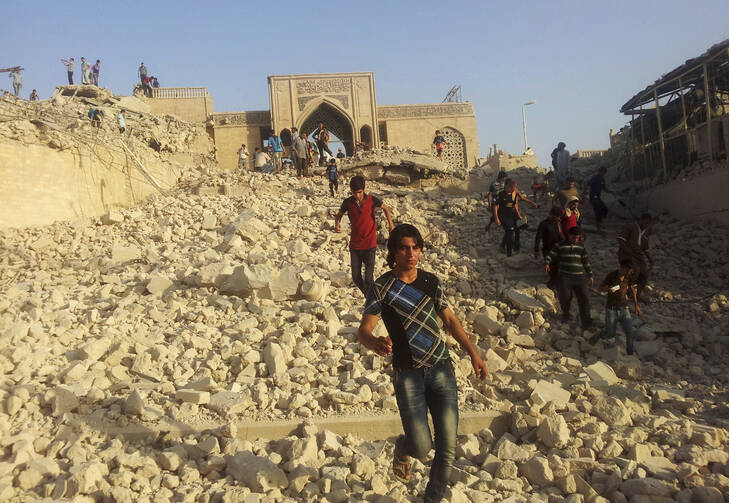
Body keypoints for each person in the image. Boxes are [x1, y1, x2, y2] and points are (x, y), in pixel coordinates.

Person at [357, 223, 488, 503]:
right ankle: (403, 446)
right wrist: (374, 341)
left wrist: (473, 354)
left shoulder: (430, 282)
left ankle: (432, 499)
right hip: (408, 376)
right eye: (404, 248)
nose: (411, 253)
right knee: (421, 445)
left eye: (416, 247)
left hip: (442, 369)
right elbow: (364, 330)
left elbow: (450, 321)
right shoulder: (382, 287)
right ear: (393, 251)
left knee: (447, 446)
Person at [334, 175, 395, 295]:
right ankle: (370, 297)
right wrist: (337, 224)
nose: (357, 195)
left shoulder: (372, 200)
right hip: (355, 246)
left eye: (359, 192)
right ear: (351, 191)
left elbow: (386, 208)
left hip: (370, 245)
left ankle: (372, 299)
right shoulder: (348, 202)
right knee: (356, 278)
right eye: (354, 192)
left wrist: (391, 224)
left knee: (368, 278)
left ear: (364, 189)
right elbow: (339, 214)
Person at [545, 226, 594, 329]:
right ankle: (566, 314)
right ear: (569, 235)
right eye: (573, 237)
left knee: (584, 298)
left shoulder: (581, 247)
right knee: (565, 297)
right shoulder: (560, 245)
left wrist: (590, 275)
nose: (575, 240)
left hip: (580, 277)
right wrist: (547, 263)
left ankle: (586, 322)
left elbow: (586, 261)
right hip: (565, 277)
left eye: (577, 238)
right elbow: (550, 255)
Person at [599, 261, 641, 355]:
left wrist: (636, 306)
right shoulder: (611, 276)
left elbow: (632, 290)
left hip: (624, 309)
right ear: (623, 268)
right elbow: (600, 288)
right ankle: (609, 356)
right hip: (611, 309)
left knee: (630, 332)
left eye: (630, 272)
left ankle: (630, 354)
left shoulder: (628, 278)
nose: (630, 273)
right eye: (629, 271)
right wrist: (608, 289)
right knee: (610, 335)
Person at [617, 214, 653, 300]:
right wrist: (628, 251)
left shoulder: (646, 231)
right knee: (635, 270)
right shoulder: (630, 227)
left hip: (638, 256)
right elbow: (620, 239)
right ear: (640, 220)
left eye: (648, 223)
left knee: (644, 274)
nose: (646, 225)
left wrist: (650, 259)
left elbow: (646, 248)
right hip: (626, 254)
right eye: (645, 222)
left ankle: (638, 294)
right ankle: (628, 291)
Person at [534, 207, 563, 289]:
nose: (558, 218)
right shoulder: (543, 224)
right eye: (557, 216)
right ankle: (550, 287)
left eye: (559, 217)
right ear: (551, 214)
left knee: (557, 269)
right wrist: (536, 250)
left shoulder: (557, 223)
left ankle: (553, 285)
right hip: (547, 250)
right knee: (552, 270)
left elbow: (560, 235)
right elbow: (538, 237)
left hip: (557, 250)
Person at [493, 179, 522, 256]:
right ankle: (509, 254)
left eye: (514, 189)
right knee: (510, 233)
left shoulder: (514, 194)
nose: (513, 191)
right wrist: (496, 218)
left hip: (513, 215)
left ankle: (514, 247)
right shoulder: (501, 194)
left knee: (517, 231)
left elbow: (515, 205)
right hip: (504, 216)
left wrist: (519, 215)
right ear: (508, 187)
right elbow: (495, 206)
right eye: (512, 189)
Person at [585, 166, 613, 232]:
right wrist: (584, 194)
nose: (604, 174)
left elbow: (604, 188)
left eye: (605, 172)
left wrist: (610, 191)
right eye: (603, 172)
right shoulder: (595, 177)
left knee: (605, 209)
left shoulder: (602, 179)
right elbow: (587, 184)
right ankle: (598, 227)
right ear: (600, 171)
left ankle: (600, 222)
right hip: (593, 197)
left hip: (598, 197)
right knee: (597, 210)